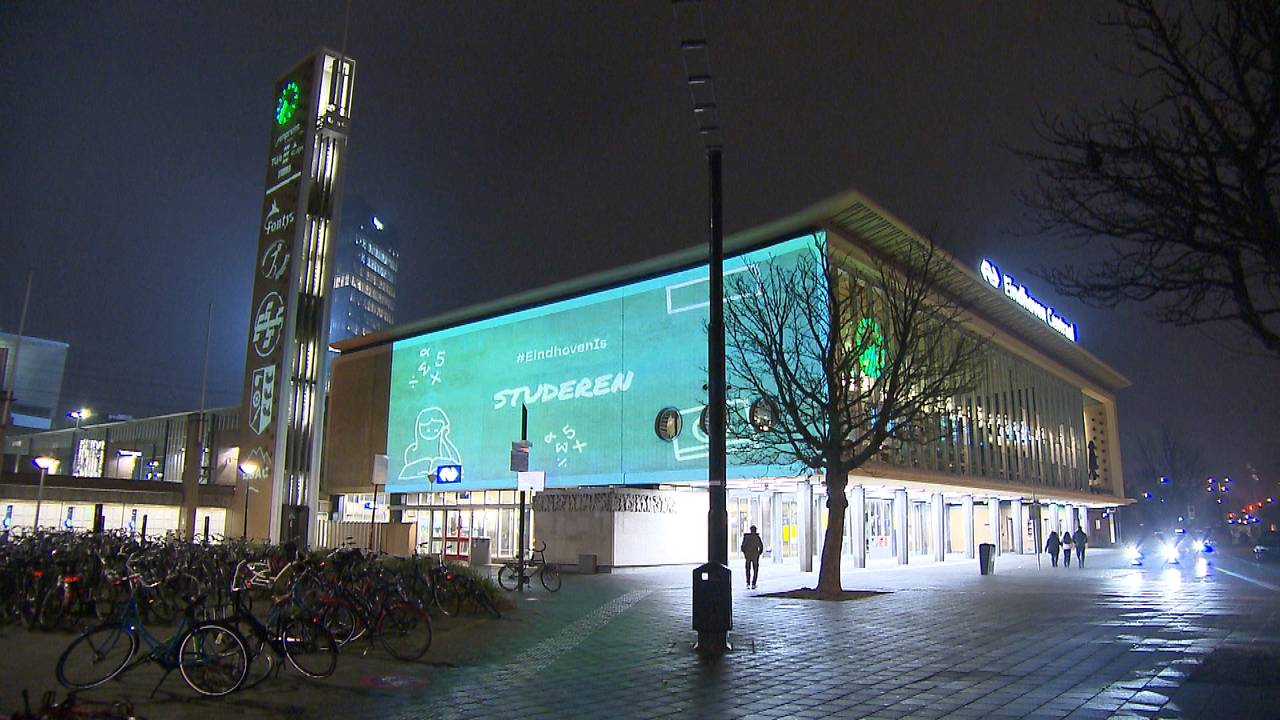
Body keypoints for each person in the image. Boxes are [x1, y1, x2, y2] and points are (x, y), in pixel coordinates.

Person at [741, 525, 764, 590]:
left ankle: (748, 583)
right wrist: (758, 554)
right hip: (755, 557)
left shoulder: (746, 537)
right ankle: (753, 583)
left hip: (748, 556)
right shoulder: (757, 537)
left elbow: (742, 547)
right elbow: (761, 547)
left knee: (748, 570)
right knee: (755, 570)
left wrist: (745, 554)